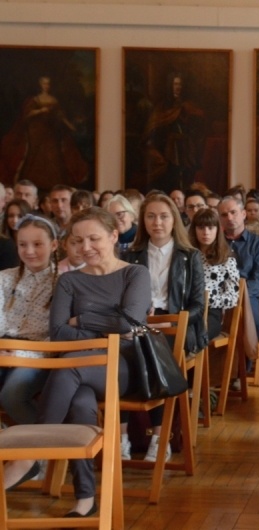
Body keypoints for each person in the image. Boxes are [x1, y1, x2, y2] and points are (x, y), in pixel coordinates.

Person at [39, 207, 150, 517]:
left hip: (122, 368)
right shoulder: (69, 281)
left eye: (93, 239)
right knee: (79, 401)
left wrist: (81, 320)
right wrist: (104, 330)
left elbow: (129, 324)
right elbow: (58, 333)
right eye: (77, 241)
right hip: (80, 371)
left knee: (71, 365)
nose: (85, 248)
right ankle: (86, 499)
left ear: (114, 236)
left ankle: (32, 454)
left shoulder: (135, 273)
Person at [122, 192, 207, 462]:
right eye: (150, 216)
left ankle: (159, 438)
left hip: (175, 325)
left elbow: (197, 305)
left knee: (155, 356)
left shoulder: (189, 255)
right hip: (139, 322)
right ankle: (122, 436)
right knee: (121, 358)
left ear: (174, 220)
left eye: (163, 216)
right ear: (143, 220)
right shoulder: (132, 254)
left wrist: (176, 319)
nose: (157, 222)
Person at [0, 215, 60, 440]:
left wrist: (19, 353)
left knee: (13, 395)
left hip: (38, 354)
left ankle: (44, 450)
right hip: (2, 348)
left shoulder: (63, 282)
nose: (30, 251)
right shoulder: (4, 278)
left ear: (53, 245)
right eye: (23, 245)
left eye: (37, 244)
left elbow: (57, 334)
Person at [0, 76, 88, 190]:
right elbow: (26, 115)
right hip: (35, 133)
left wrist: (70, 126)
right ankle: (32, 186)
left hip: (50, 133)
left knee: (53, 155)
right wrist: (40, 111)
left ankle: (52, 186)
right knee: (34, 157)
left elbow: (60, 116)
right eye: (44, 83)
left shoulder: (54, 100)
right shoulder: (34, 100)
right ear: (40, 85)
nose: (46, 86)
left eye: (48, 84)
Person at [141, 73, 206, 192]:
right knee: (170, 178)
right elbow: (153, 131)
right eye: (175, 84)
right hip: (168, 152)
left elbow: (198, 127)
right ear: (170, 86)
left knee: (186, 179)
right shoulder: (162, 108)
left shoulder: (189, 106)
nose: (178, 87)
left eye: (180, 84)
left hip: (186, 152)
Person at [218, 196, 259, 341]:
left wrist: (239, 295)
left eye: (233, 212)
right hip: (217, 295)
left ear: (243, 214)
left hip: (246, 295)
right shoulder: (215, 242)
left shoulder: (258, 243)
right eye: (224, 214)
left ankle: (245, 363)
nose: (229, 217)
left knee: (254, 325)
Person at [188, 207, 239, 340]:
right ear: (194, 230)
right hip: (185, 310)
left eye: (211, 228)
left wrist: (207, 300)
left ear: (218, 230)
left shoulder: (227, 259)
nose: (206, 233)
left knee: (195, 336)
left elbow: (233, 297)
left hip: (211, 312)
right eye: (201, 228)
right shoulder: (186, 256)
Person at [0, 198, 32, 269]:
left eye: (20, 216)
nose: (15, 220)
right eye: (11, 216)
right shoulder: (3, 242)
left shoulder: (34, 242)